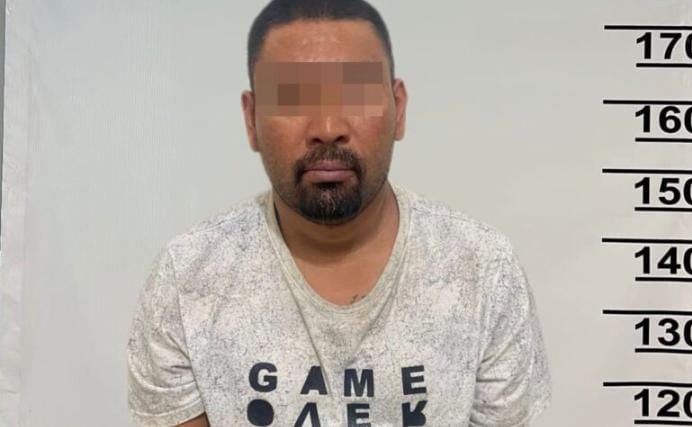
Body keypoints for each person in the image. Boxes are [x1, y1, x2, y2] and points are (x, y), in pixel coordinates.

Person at [126, 0, 552, 425]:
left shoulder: (482, 271)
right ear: (252, 119)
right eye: (292, 99)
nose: (327, 128)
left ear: (398, 109)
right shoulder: (188, 280)